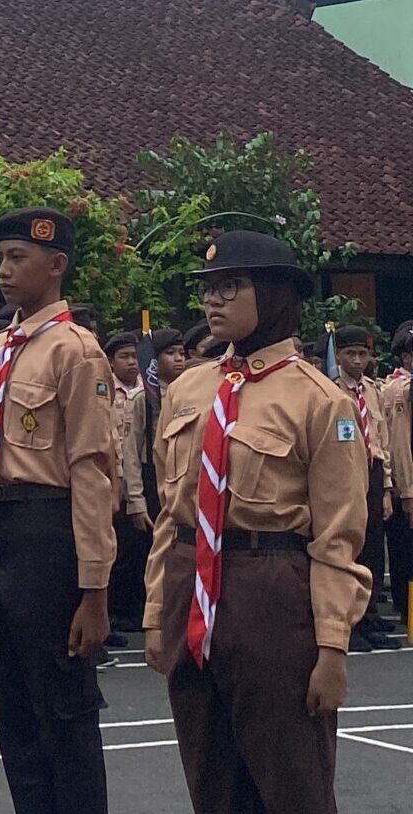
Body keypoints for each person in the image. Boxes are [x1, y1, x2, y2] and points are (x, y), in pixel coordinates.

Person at [144, 231, 371, 814]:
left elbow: (338, 538)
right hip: (191, 590)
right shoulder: (188, 390)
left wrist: (332, 647)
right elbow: (172, 512)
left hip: (271, 593)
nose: (212, 302)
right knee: (210, 778)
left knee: (293, 783)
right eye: (207, 291)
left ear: (270, 295)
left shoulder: (321, 402)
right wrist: (155, 613)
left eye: (230, 287)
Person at [0, 208, 115, 813]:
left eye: (18, 258)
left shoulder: (75, 351)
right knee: (15, 710)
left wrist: (94, 589)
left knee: (64, 712)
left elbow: (92, 471)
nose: (4, 270)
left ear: (56, 266)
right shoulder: (0, 346)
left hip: (50, 532)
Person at [332, 325, 401, 651]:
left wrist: (386, 487)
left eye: (363, 354)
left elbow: (382, 440)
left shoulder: (371, 390)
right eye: (350, 354)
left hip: (372, 472)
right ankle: (351, 622)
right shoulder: (331, 390)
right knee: (351, 548)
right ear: (339, 355)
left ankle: (370, 616)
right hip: (344, 472)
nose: (358, 360)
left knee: (373, 549)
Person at [114, 328, 185, 633]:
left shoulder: (190, 391)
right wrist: (136, 500)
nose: (179, 359)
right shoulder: (147, 398)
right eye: (171, 354)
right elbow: (131, 452)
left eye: (182, 353)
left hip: (179, 480)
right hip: (151, 479)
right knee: (146, 553)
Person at [104, 331, 145, 633]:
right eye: (125, 357)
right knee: (114, 550)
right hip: (113, 476)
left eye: (135, 357)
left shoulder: (148, 392)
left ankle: (135, 608)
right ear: (111, 362)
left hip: (140, 476)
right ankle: (113, 611)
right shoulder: (106, 391)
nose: (132, 363)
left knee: (137, 548)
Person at [382, 328, 413, 623]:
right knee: (406, 553)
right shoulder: (399, 390)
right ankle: (410, 613)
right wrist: (406, 491)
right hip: (405, 482)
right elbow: (399, 445)